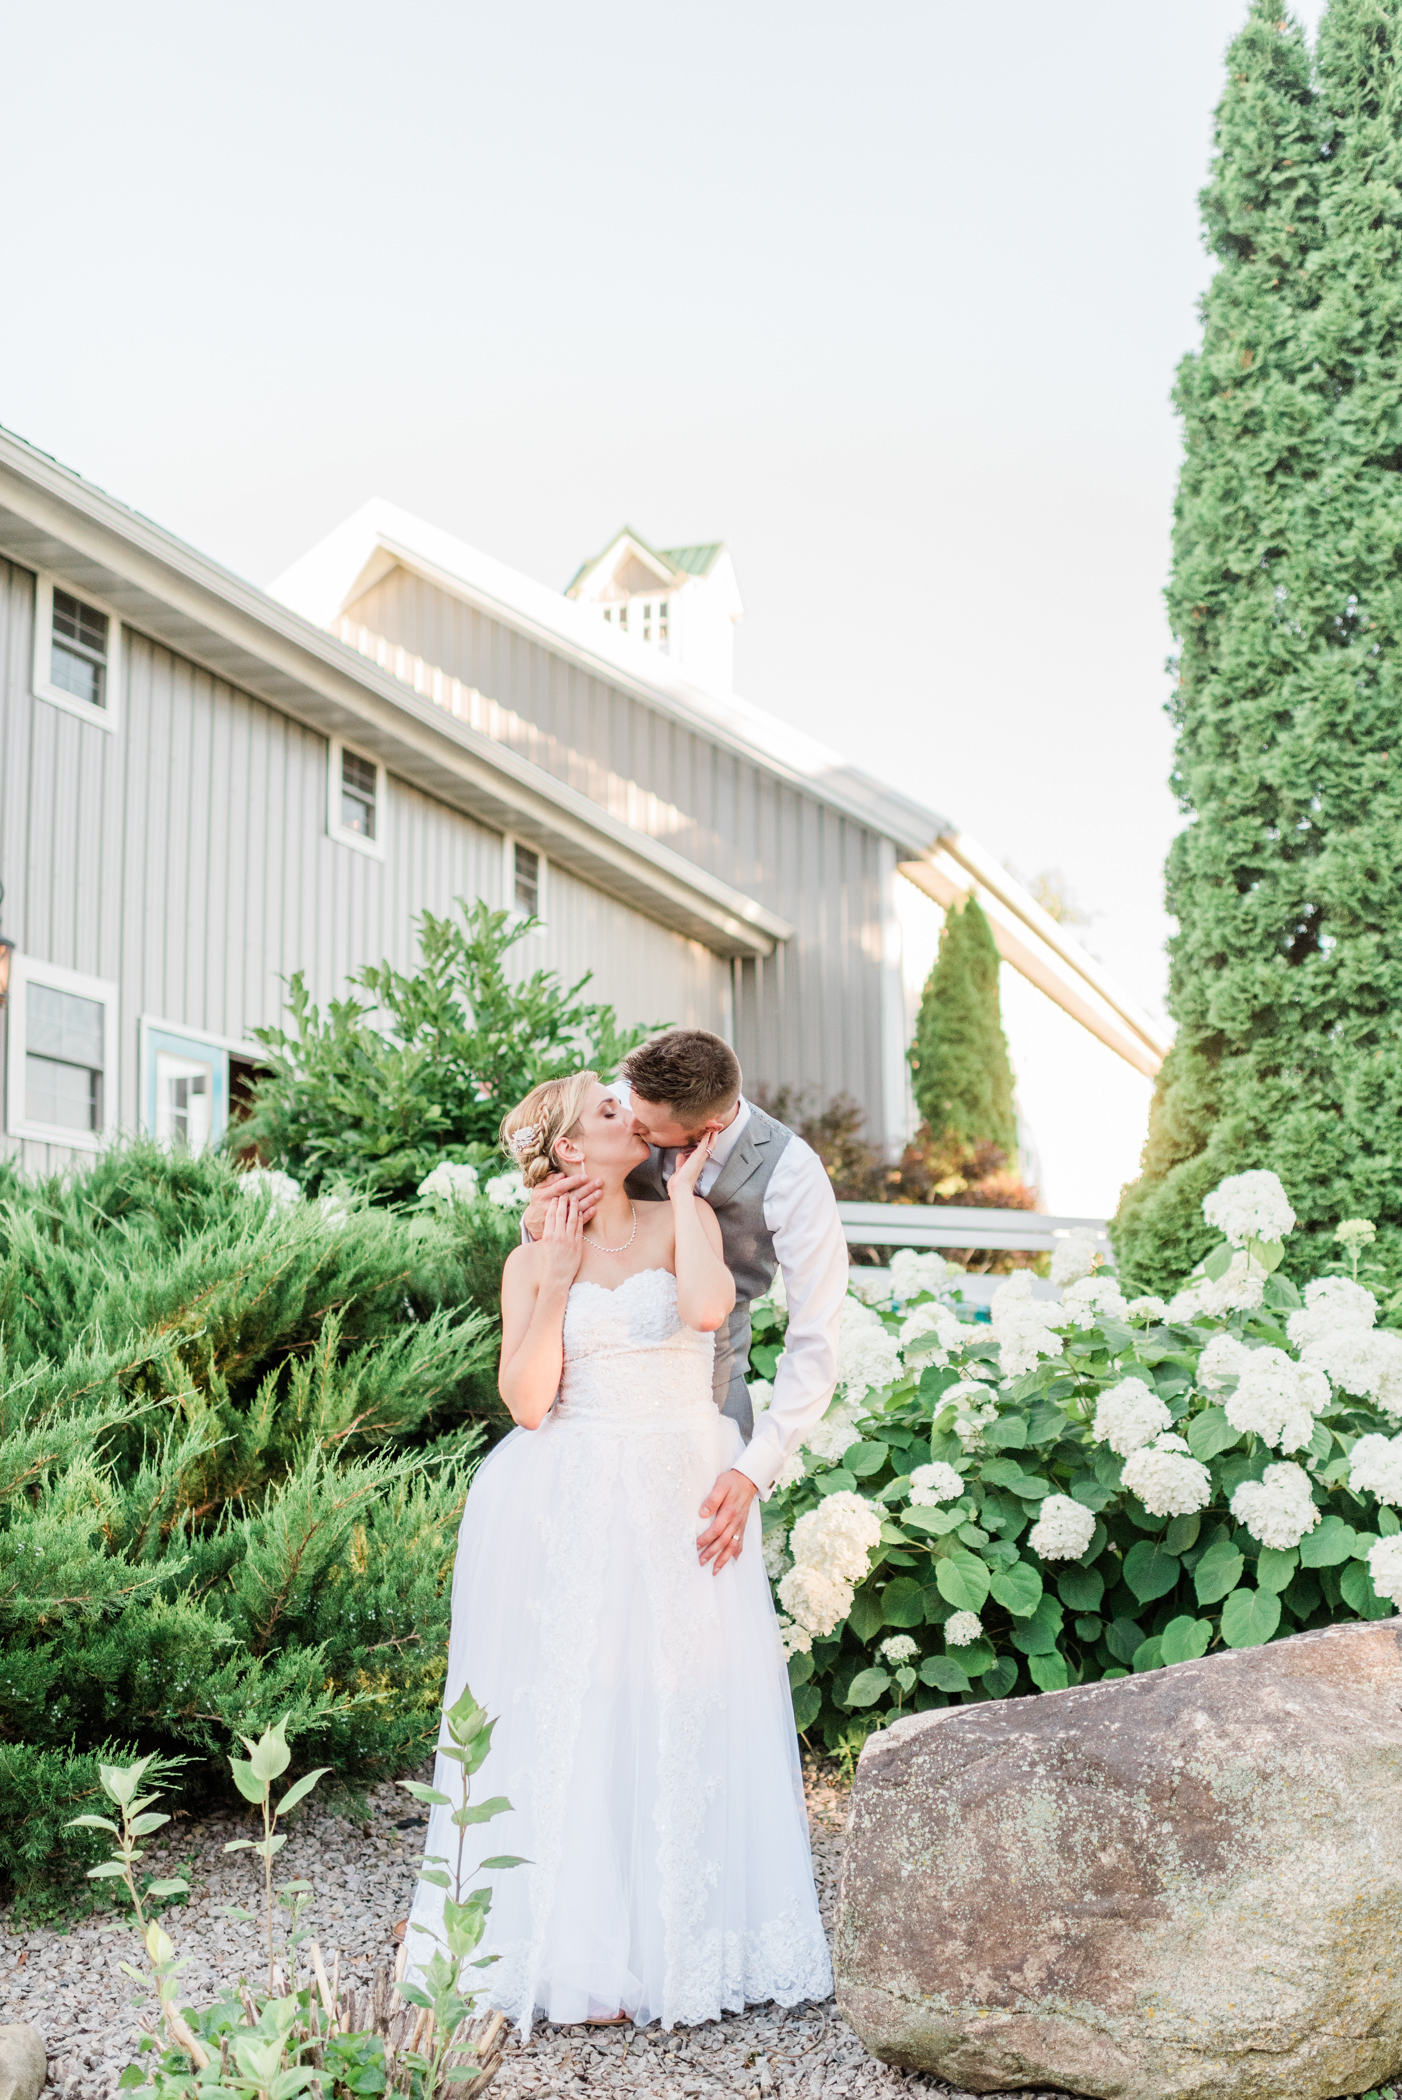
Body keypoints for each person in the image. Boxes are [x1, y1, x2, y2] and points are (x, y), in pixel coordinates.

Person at [404, 1070, 833, 2032]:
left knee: (683, 1702)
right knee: (581, 1708)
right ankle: (586, 1954)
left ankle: (684, 1943)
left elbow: (713, 1311)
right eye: (608, 1111)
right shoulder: (530, 1264)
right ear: (566, 1152)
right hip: (578, 1490)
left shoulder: (687, 1213)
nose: (630, 1115)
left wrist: (682, 1195)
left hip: (681, 1481)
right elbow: (526, 1401)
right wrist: (555, 1280)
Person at [521, 1029, 850, 1562]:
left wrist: (753, 1469)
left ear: (708, 1128)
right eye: (625, 1106)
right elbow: (551, 1217)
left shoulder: (793, 1175)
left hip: (711, 1409)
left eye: (647, 1128)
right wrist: (537, 1222)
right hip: (596, 1412)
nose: (631, 1123)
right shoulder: (627, 1106)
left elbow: (815, 1339)